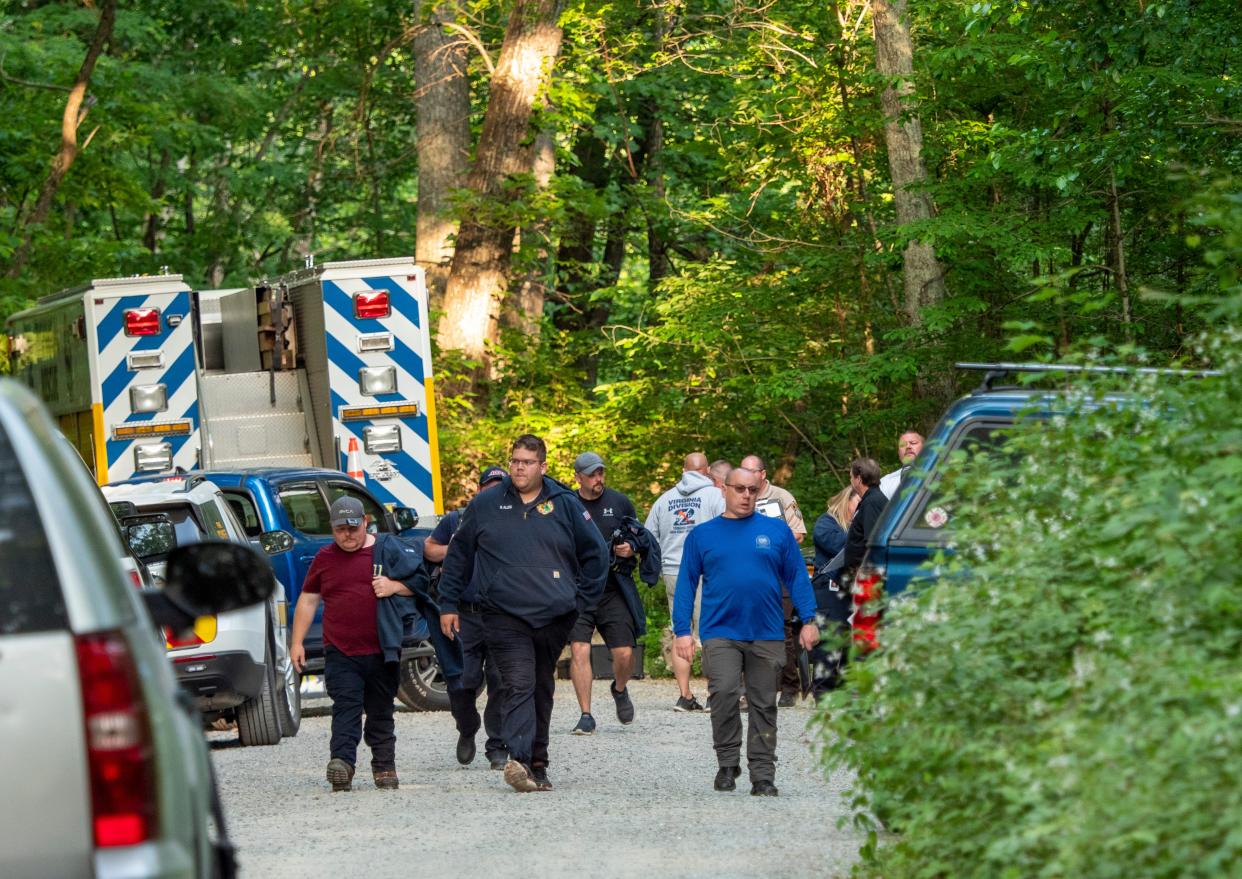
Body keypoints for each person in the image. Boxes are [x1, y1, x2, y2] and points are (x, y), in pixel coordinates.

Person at [438, 434, 608, 793]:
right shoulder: (485, 504)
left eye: (527, 462)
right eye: (514, 460)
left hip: (554, 615)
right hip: (503, 614)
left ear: (543, 467)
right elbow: (458, 555)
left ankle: (538, 762)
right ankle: (519, 760)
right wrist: (448, 603)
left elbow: (597, 555)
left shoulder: (564, 503)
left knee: (542, 685)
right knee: (518, 683)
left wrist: (582, 603)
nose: (518, 467)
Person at [674, 467, 818, 797]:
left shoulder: (777, 531)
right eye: (740, 489)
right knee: (723, 692)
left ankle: (763, 775)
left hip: (766, 630)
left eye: (753, 490)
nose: (747, 496)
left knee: (763, 703)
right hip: (721, 630)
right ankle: (727, 762)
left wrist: (809, 619)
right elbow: (686, 584)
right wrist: (683, 630)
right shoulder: (703, 535)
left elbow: (797, 576)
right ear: (724, 489)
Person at [290, 497, 443, 792]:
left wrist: (394, 586)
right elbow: (308, 599)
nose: (347, 534)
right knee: (345, 707)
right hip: (341, 651)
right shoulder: (324, 559)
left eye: (352, 527)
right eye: (340, 529)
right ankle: (342, 764)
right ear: (332, 529)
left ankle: (384, 767)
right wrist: (297, 642)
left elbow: (422, 584)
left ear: (365, 522)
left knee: (380, 710)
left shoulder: (388, 550)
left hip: (382, 649)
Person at [423, 465, 509, 770]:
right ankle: (467, 728)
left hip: (501, 614)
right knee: (461, 681)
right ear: (480, 490)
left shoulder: (514, 520)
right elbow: (429, 549)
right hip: (464, 614)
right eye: (490, 486)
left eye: (501, 486)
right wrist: (458, 549)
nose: (495, 491)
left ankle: (497, 745)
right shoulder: (457, 519)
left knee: (501, 680)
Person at [567, 451, 644, 734]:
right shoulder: (568, 504)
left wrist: (631, 548)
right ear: (578, 477)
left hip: (613, 588)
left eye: (600, 473)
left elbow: (639, 535)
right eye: (591, 474)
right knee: (579, 649)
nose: (598, 479)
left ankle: (620, 688)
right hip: (579, 590)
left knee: (624, 653)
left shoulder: (619, 501)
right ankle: (585, 714)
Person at [644, 451, 725, 711]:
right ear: (708, 470)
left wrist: (658, 568)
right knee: (711, 632)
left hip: (673, 571)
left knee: (682, 631)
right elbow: (728, 529)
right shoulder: (715, 496)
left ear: (683, 469)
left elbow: (648, 539)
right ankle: (715, 695)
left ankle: (685, 695)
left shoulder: (664, 500)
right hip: (706, 571)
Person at [739, 454, 807, 707]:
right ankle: (750, 687)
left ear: (762, 474)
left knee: (783, 630)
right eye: (742, 470)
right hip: (748, 574)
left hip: (779, 573)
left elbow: (799, 534)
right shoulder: (740, 498)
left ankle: (790, 686)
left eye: (750, 471)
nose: (745, 476)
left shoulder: (782, 497)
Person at [808, 486, 858, 698]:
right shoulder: (826, 524)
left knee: (850, 653)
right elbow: (844, 547)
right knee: (827, 653)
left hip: (850, 597)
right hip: (829, 597)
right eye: (858, 505)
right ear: (847, 501)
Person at [843, 457, 887, 574]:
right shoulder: (870, 499)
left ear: (859, 478)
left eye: (851, 477)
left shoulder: (872, 502)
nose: (850, 480)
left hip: (864, 576)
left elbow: (872, 543)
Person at [879, 430, 924, 499]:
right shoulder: (885, 482)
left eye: (913, 443)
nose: (908, 446)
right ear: (898, 453)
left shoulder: (938, 473)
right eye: (903, 445)